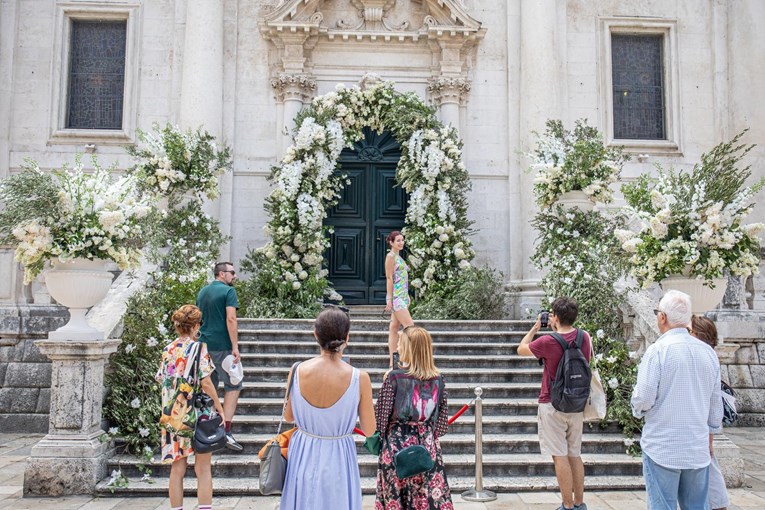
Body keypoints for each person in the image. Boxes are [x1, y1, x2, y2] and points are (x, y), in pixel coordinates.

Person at [631, 290, 723, 510]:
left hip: (663, 445)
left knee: (662, 505)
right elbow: (715, 406)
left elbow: (643, 397)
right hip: (696, 447)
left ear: (662, 317)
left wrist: (638, 410)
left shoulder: (658, 351)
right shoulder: (709, 353)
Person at [280, 306, 376, 510]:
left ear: (315, 334)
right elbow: (369, 430)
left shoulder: (296, 370)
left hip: (303, 451)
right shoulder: (361, 378)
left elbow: (288, 416)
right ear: (347, 338)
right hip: (339, 454)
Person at [517, 297, 591, 510]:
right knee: (575, 455)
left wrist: (534, 329)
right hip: (577, 403)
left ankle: (567, 506)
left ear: (555, 317)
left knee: (559, 456)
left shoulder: (547, 341)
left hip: (552, 403)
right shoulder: (584, 337)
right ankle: (579, 503)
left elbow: (521, 349)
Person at [156, 304, 225, 510]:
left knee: (177, 469)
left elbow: (162, 379)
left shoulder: (168, 349)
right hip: (196, 414)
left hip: (172, 416)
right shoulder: (199, 348)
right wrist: (220, 407)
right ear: (195, 326)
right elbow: (205, 381)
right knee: (203, 469)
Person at [375, 326, 453, 509]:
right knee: (426, 498)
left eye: (401, 344)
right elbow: (441, 425)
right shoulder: (439, 379)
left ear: (409, 348)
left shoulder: (394, 378)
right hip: (426, 447)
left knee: (396, 498)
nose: (398, 349)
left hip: (396, 446)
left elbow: (380, 418)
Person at [196, 261, 243, 451]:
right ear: (222, 274)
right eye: (232, 272)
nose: (235, 276)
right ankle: (227, 430)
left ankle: (210, 430)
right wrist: (235, 346)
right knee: (234, 383)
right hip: (222, 345)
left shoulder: (202, 292)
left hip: (203, 345)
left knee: (210, 386)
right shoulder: (228, 292)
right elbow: (231, 318)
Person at [690, 315, 730, 510]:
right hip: (702, 425)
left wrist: (710, 435)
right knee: (708, 470)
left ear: (695, 333)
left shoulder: (701, 356)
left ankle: (716, 504)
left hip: (699, 425)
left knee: (707, 470)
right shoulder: (709, 356)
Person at [384, 230, 414, 367]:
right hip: (396, 298)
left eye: (402, 240)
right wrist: (389, 299)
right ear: (391, 242)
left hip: (402, 296)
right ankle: (407, 359)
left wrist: (406, 295)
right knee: (410, 327)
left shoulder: (399, 257)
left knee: (394, 328)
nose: (401, 243)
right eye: (398, 240)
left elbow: (401, 278)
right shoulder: (390, 256)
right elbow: (389, 278)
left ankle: (393, 361)